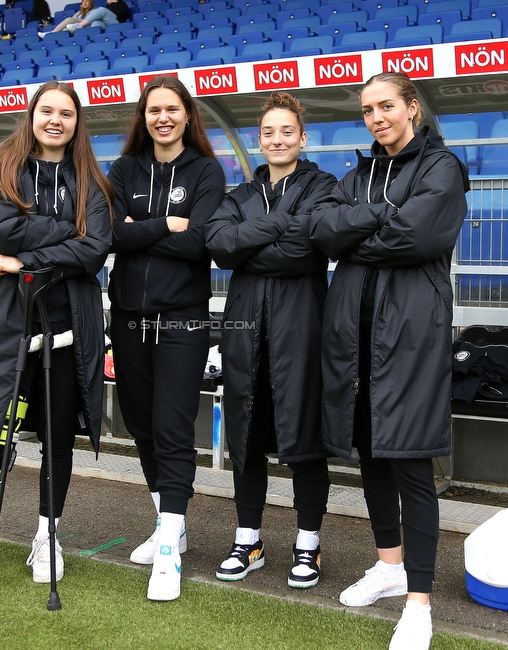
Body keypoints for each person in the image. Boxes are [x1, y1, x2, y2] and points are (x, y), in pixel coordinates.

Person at [309, 72, 470, 650]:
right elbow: (323, 230)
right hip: (354, 334)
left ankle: (420, 602)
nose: (377, 117)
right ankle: (389, 566)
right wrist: (373, 222)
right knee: (372, 454)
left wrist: (361, 230)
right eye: (368, 109)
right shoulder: (358, 173)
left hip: (410, 336)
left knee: (411, 461)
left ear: (412, 108)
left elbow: (417, 237)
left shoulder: (441, 167)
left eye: (386, 106)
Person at [0, 81, 113, 597]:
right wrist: (67, 233)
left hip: (68, 336)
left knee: (57, 443)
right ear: (33, 115)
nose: (56, 120)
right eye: (48, 110)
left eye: (66, 112)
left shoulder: (90, 181)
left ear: (77, 122)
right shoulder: (3, 168)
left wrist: (30, 257)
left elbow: (97, 248)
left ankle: (47, 536)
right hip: (6, 335)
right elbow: (0, 233)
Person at [205, 92, 337, 589]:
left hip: (301, 329)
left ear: (302, 138)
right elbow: (220, 247)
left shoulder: (323, 186)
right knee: (246, 436)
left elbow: (308, 251)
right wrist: (280, 224)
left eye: (287, 131)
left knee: (305, 439)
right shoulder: (238, 194)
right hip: (245, 332)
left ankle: (309, 545)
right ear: (259, 140)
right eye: (268, 132)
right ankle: (248, 539)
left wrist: (252, 241)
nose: (277, 139)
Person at [106, 75, 226, 602]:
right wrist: (166, 225)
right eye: (154, 110)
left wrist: (143, 228)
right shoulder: (123, 170)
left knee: (172, 425)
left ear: (186, 114)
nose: (163, 118)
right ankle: (168, 523)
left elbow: (202, 243)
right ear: (143, 116)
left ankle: (170, 552)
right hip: (128, 314)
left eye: (172, 109)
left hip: (182, 316)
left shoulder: (206, 171)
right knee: (140, 423)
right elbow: (112, 234)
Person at [45, 0, 120, 35]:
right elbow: (72, 22)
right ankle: (52, 34)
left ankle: (52, 33)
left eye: (87, 1)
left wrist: (80, 22)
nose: (84, 2)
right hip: (79, 28)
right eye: (83, 1)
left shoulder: (94, 11)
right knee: (66, 27)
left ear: (91, 3)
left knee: (70, 21)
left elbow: (94, 21)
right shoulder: (78, 13)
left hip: (87, 27)